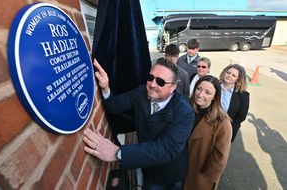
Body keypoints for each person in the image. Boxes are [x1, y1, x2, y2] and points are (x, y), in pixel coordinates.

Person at [84, 58, 194, 189]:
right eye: (150, 77)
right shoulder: (140, 92)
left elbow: (167, 149)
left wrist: (118, 153)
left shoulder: (185, 112)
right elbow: (114, 105)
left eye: (160, 81)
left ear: (173, 87)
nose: (152, 84)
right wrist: (106, 87)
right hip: (150, 172)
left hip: (171, 171)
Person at [184, 75, 232, 190]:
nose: (200, 95)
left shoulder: (222, 122)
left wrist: (207, 177)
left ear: (214, 96)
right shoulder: (185, 108)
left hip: (199, 176)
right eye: (199, 89)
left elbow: (220, 156)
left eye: (207, 92)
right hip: (178, 169)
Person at [219, 64, 250, 142]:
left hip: (227, 130)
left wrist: (228, 127)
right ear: (224, 73)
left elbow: (241, 117)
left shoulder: (243, 95)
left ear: (238, 79)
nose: (229, 76)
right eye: (228, 73)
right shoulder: (214, 87)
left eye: (233, 75)